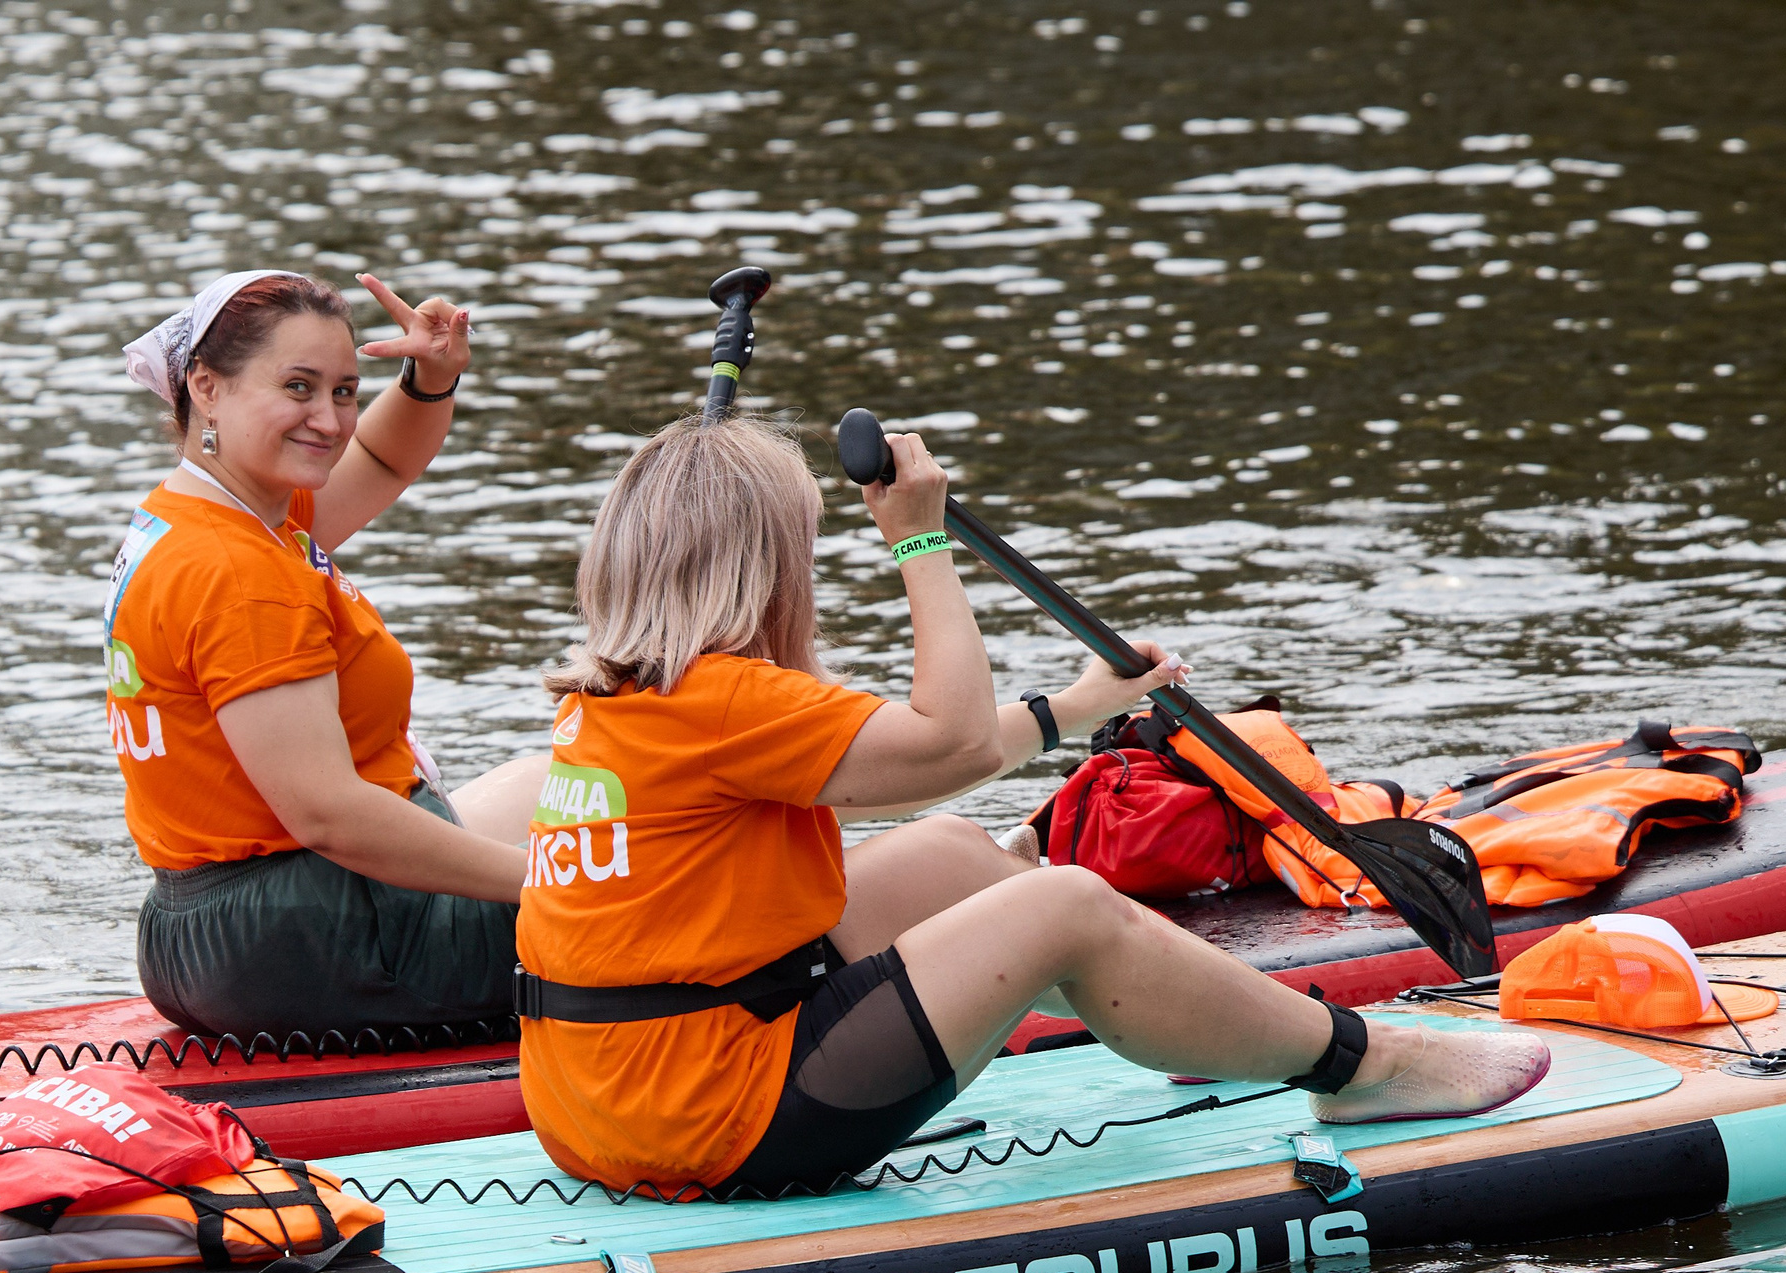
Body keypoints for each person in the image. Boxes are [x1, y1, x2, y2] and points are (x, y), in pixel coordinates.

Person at [513, 415, 1552, 1198]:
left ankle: (1206, 1023)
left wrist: (1078, 705)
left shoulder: (626, 697)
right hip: (709, 1126)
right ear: (768, 570)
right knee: (1062, 905)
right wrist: (917, 542)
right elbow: (955, 740)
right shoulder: (727, 701)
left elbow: (925, 761)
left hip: (596, 1106)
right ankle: (1358, 1064)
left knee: (947, 851)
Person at [105, 268, 541, 1039]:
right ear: (207, 386)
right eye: (298, 387)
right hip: (303, 934)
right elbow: (328, 815)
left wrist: (431, 378)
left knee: (575, 780)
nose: (330, 420)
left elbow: (382, 461)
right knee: (681, 889)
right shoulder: (240, 572)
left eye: (344, 391)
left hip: (201, 927)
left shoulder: (216, 515)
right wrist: (555, 886)